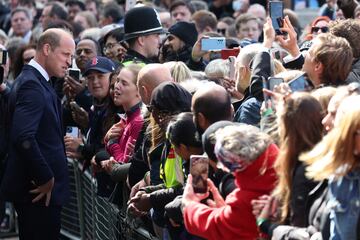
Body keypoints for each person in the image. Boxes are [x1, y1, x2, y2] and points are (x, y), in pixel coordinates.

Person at [0, 28, 75, 239]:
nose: (69, 62)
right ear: (47, 49)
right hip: (37, 192)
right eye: (66, 54)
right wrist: (46, 177)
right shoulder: (32, 85)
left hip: (39, 193)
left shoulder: (35, 81)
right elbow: (23, 137)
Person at [182, 124, 278, 239]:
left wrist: (189, 205)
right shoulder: (287, 167)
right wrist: (225, 210)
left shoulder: (246, 201)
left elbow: (215, 225)